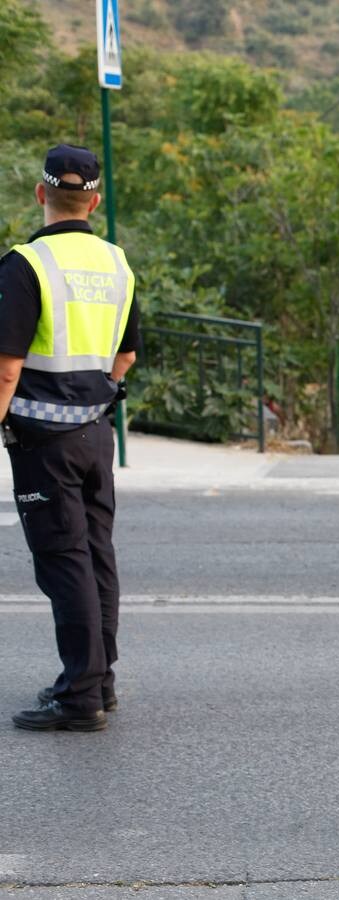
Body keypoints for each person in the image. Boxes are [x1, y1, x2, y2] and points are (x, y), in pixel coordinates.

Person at [0, 144, 139, 731]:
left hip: (42, 440)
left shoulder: (24, 264)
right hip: (95, 432)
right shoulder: (118, 264)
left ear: (41, 194)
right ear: (95, 200)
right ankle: (99, 681)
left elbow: (7, 366)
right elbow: (125, 356)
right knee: (95, 554)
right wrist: (89, 401)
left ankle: (79, 697)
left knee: (64, 560)